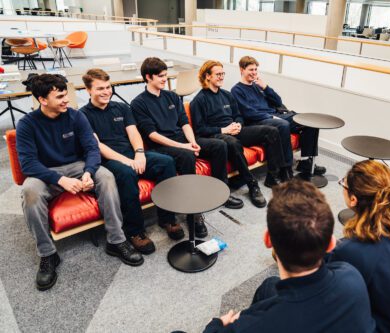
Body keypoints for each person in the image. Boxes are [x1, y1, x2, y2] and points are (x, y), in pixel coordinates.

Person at [16, 74, 143, 291]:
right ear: (42, 100)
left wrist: (88, 171)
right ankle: (48, 255)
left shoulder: (75, 116)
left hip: (78, 166)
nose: (66, 100)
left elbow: (92, 149)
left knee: (106, 177)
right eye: (60, 97)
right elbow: (28, 164)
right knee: (29, 191)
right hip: (47, 172)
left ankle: (116, 240)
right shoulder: (27, 124)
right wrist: (61, 180)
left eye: (66, 95)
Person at [203, 179, 376, 333]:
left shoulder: (251, 327)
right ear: (331, 244)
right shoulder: (352, 276)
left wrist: (215, 325)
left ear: (268, 240)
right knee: (269, 285)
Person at [131, 57, 244, 239]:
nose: (164, 80)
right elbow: (152, 135)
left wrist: (193, 142)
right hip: (160, 146)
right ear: (148, 77)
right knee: (186, 156)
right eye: (160, 76)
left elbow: (184, 123)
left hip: (183, 140)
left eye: (166, 76)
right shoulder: (138, 103)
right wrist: (184, 146)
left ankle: (221, 189)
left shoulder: (172, 96)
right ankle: (194, 212)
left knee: (219, 145)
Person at [80, 68, 177, 250]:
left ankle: (168, 219)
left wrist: (139, 153)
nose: (106, 92)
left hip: (132, 155)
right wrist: (128, 162)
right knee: (126, 173)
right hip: (108, 161)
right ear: (88, 90)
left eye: (108, 87)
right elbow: (97, 146)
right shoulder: (82, 115)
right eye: (100, 88)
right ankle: (135, 232)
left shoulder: (122, 108)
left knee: (166, 162)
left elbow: (133, 133)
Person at [326, 160, 390, 333]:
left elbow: (327, 290)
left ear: (353, 199)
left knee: (271, 287)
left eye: (344, 184)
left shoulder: (352, 250)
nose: (342, 186)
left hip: (380, 328)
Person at [190, 60, 288, 207]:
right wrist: (224, 130)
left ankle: (273, 175)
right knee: (232, 142)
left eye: (223, 74)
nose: (221, 77)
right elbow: (200, 129)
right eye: (218, 74)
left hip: (234, 130)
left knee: (271, 131)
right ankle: (252, 183)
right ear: (207, 76)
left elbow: (238, 115)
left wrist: (238, 124)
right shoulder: (198, 100)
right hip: (215, 135)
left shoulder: (227, 95)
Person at [231, 56, 326, 178]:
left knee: (308, 120)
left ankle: (307, 162)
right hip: (258, 121)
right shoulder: (236, 90)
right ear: (242, 70)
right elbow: (248, 113)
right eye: (250, 70)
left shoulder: (257, 86)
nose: (254, 73)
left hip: (274, 115)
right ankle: (286, 169)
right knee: (282, 124)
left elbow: (278, 102)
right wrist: (271, 117)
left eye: (255, 69)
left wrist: (265, 87)